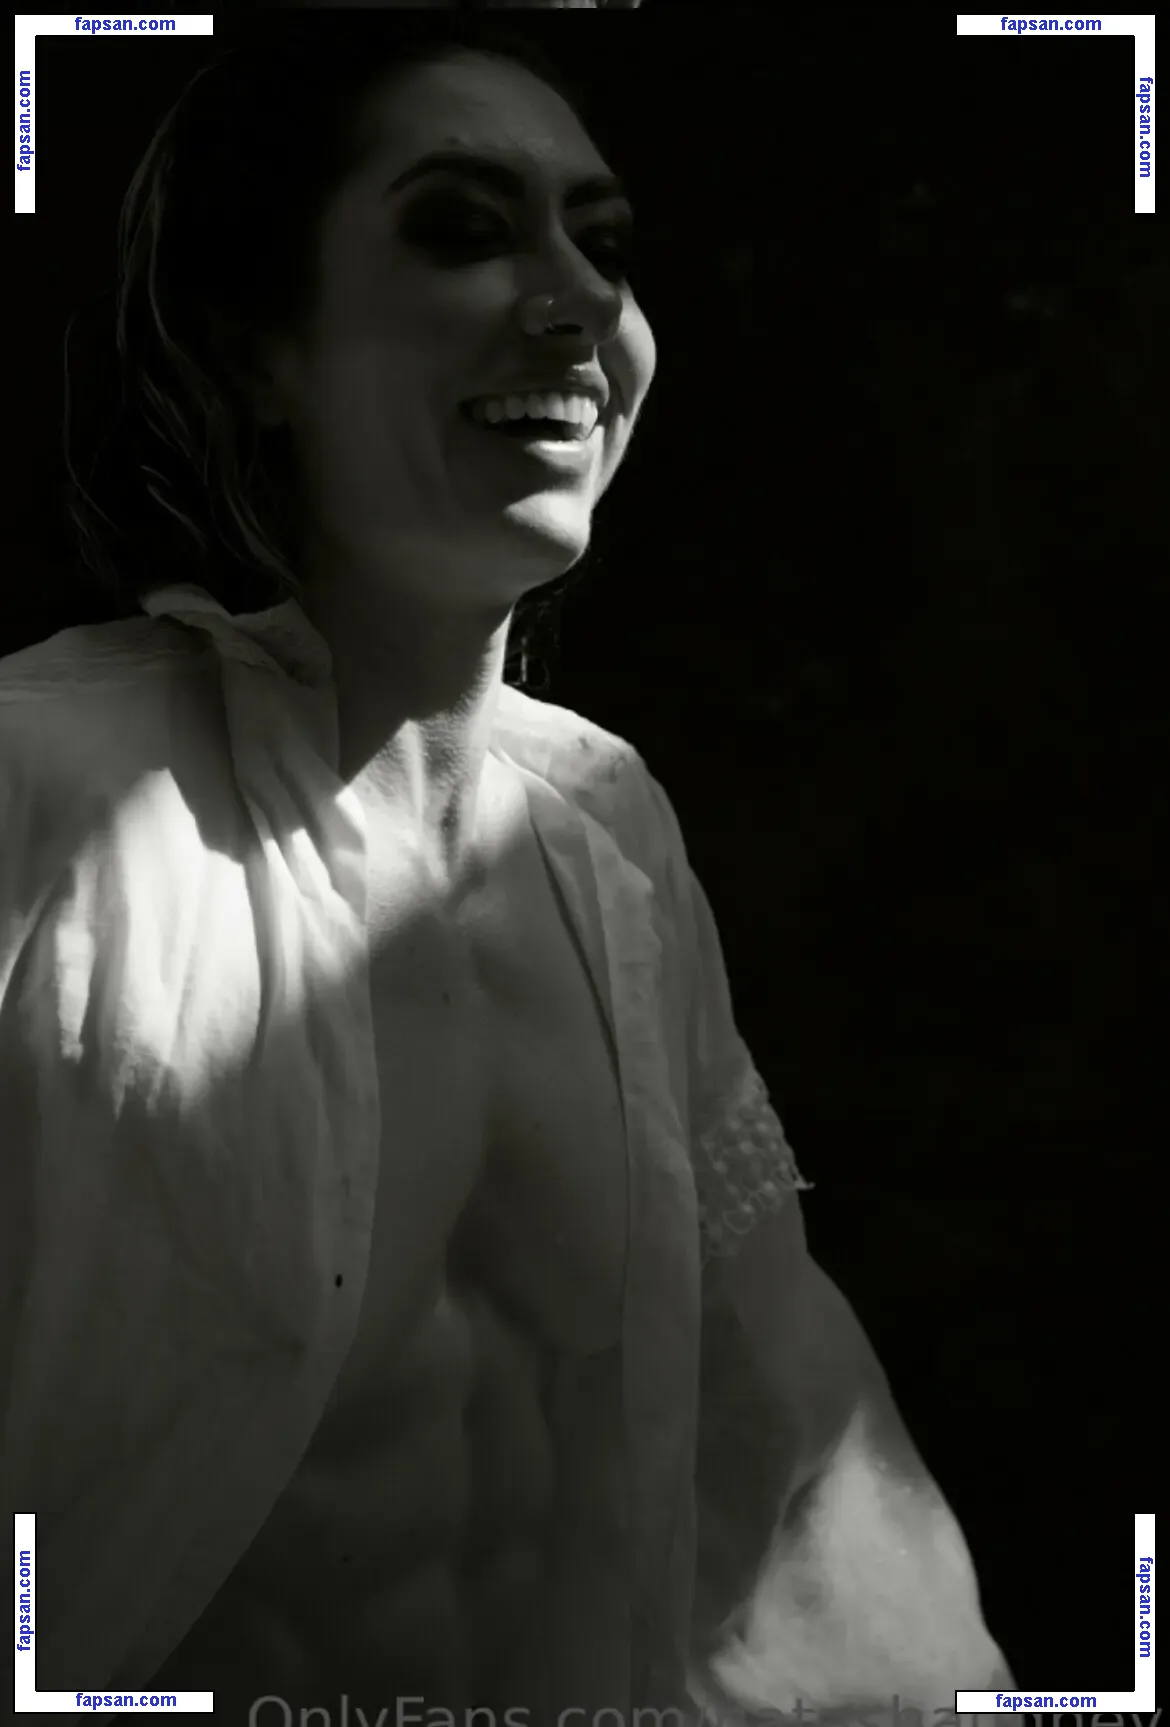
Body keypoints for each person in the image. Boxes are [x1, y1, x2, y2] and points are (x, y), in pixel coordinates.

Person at [1, 13, 1012, 1725]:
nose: (575, 301)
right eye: (463, 228)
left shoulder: (606, 832)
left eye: (602, 243)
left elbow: (785, 1399)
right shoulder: (40, 784)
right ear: (258, 349)